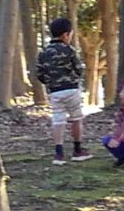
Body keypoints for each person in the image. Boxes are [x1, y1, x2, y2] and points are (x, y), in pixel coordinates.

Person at [36, 17, 91, 165]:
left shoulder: (44, 52)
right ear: (65, 35)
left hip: (55, 91)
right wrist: (74, 78)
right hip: (72, 89)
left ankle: (58, 153)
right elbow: (78, 69)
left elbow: (39, 73)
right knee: (76, 118)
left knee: (58, 119)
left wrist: (49, 82)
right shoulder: (70, 50)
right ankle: (78, 150)